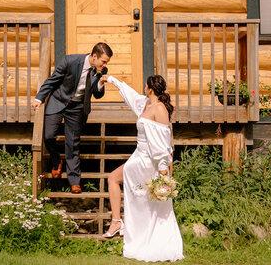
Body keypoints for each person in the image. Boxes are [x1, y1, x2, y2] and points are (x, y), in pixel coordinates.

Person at [102, 73, 183, 262]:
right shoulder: (146, 103)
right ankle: (117, 222)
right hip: (138, 156)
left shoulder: (160, 109)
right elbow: (130, 95)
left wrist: (164, 171)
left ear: (150, 88)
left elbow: (162, 143)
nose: (143, 89)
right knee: (128, 189)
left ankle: (120, 224)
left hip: (148, 160)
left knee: (117, 180)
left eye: (145, 86)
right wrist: (112, 80)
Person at [32, 42, 112, 193]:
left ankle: (74, 180)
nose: (105, 65)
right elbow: (53, 80)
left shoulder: (101, 70)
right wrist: (39, 98)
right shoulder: (70, 61)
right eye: (103, 61)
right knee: (48, 136)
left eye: (106, 62)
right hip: (58, 100)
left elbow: (97, 94)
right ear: (94, 56)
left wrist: (101, 83)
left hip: (77, 107)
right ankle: (56, 161)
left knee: (72, 143)